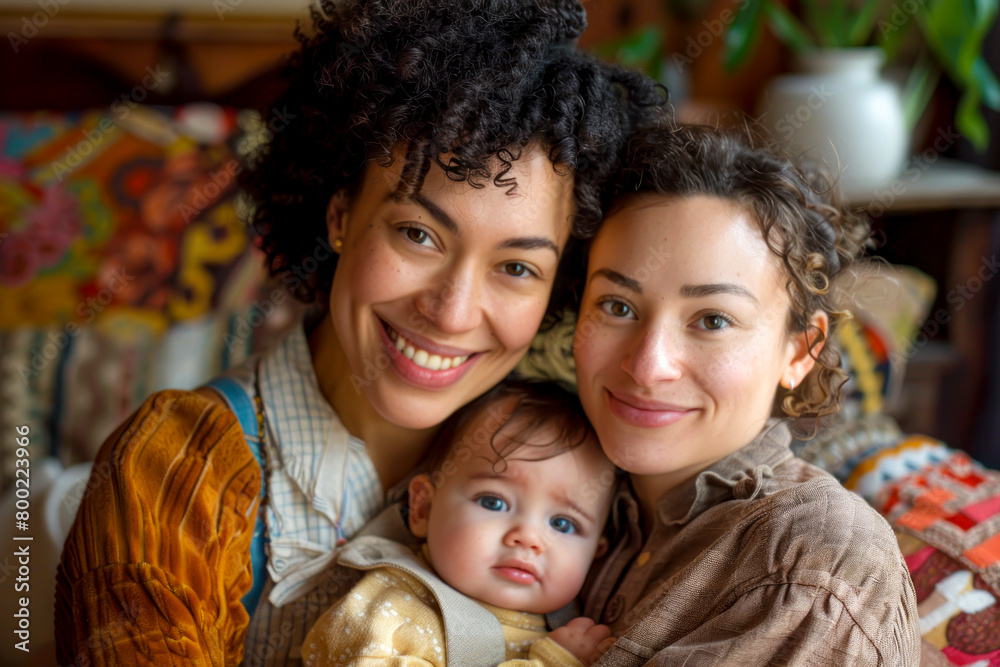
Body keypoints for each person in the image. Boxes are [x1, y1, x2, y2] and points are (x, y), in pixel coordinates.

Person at [53, 2, 664, 665]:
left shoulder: (596, 470)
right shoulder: (173, 471)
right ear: (340, 215)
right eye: (418, 234)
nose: (453, 312)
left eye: (516, 267)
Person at [572, 123, 922, 665]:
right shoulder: (547, 475)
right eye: (617, 306)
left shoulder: (813, 563)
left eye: (713, 319)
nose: (647, 366)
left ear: (801, 351)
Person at [303, 381, 618, 666]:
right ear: (424, 508)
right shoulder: (390, 609)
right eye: (493, 502)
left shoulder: (574, 634)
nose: (529, 537)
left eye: (562, 524)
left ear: (596, 554)